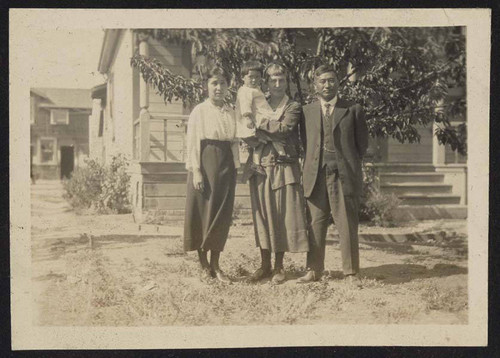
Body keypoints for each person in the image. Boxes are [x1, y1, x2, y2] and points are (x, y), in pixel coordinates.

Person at [298, 64, 369, 283]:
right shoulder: (306, 111)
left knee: (346, 222)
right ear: (315, 85)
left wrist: (346, 164)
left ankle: (351, 271)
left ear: (338, 83)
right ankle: (313, 269)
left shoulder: (353, 109)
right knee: (315, 223)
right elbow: (305, 142)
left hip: (343, 174)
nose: (327, 85)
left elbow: (362, 145)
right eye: (322, 81)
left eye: (331, 80)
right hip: (316, 174)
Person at [245, 62, 309, 284]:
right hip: (261, 164)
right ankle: (264, 265)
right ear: (266, 82)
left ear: (287, 81)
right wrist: (257, 133)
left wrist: (260, 125)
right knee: (263, 214)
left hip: (284, 164)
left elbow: (284, 130)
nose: (278, 84)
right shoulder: (257, 102)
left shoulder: (293, 106)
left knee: (281, 214)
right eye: (273, 80)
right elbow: (246, 132)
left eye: (282, 79)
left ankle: (279, 266)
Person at [183, 66, 240, 284]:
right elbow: (193, 141)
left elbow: (234, 141)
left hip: (226, 163)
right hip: (205, 162)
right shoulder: (200, 110)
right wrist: (196, 170)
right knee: (203, 209)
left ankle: (216, 263)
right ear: (207, 86)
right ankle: (203, 261)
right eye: (214, 83)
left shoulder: (231, 111)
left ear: (228, 86)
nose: (218, 87)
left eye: (223, 83)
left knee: (221, 212)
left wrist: (237, 165)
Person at [235, 60, 289, 176]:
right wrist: (248, 117)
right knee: (270, 138)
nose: (254, 80)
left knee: (261, 143)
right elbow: (245, 105)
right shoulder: (245, 91)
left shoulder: (255, 89)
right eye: (251, 77)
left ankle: (256, 163)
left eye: (257, 77)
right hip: (255, 121)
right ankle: (282, 154)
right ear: (243, 78)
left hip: (262, 117)